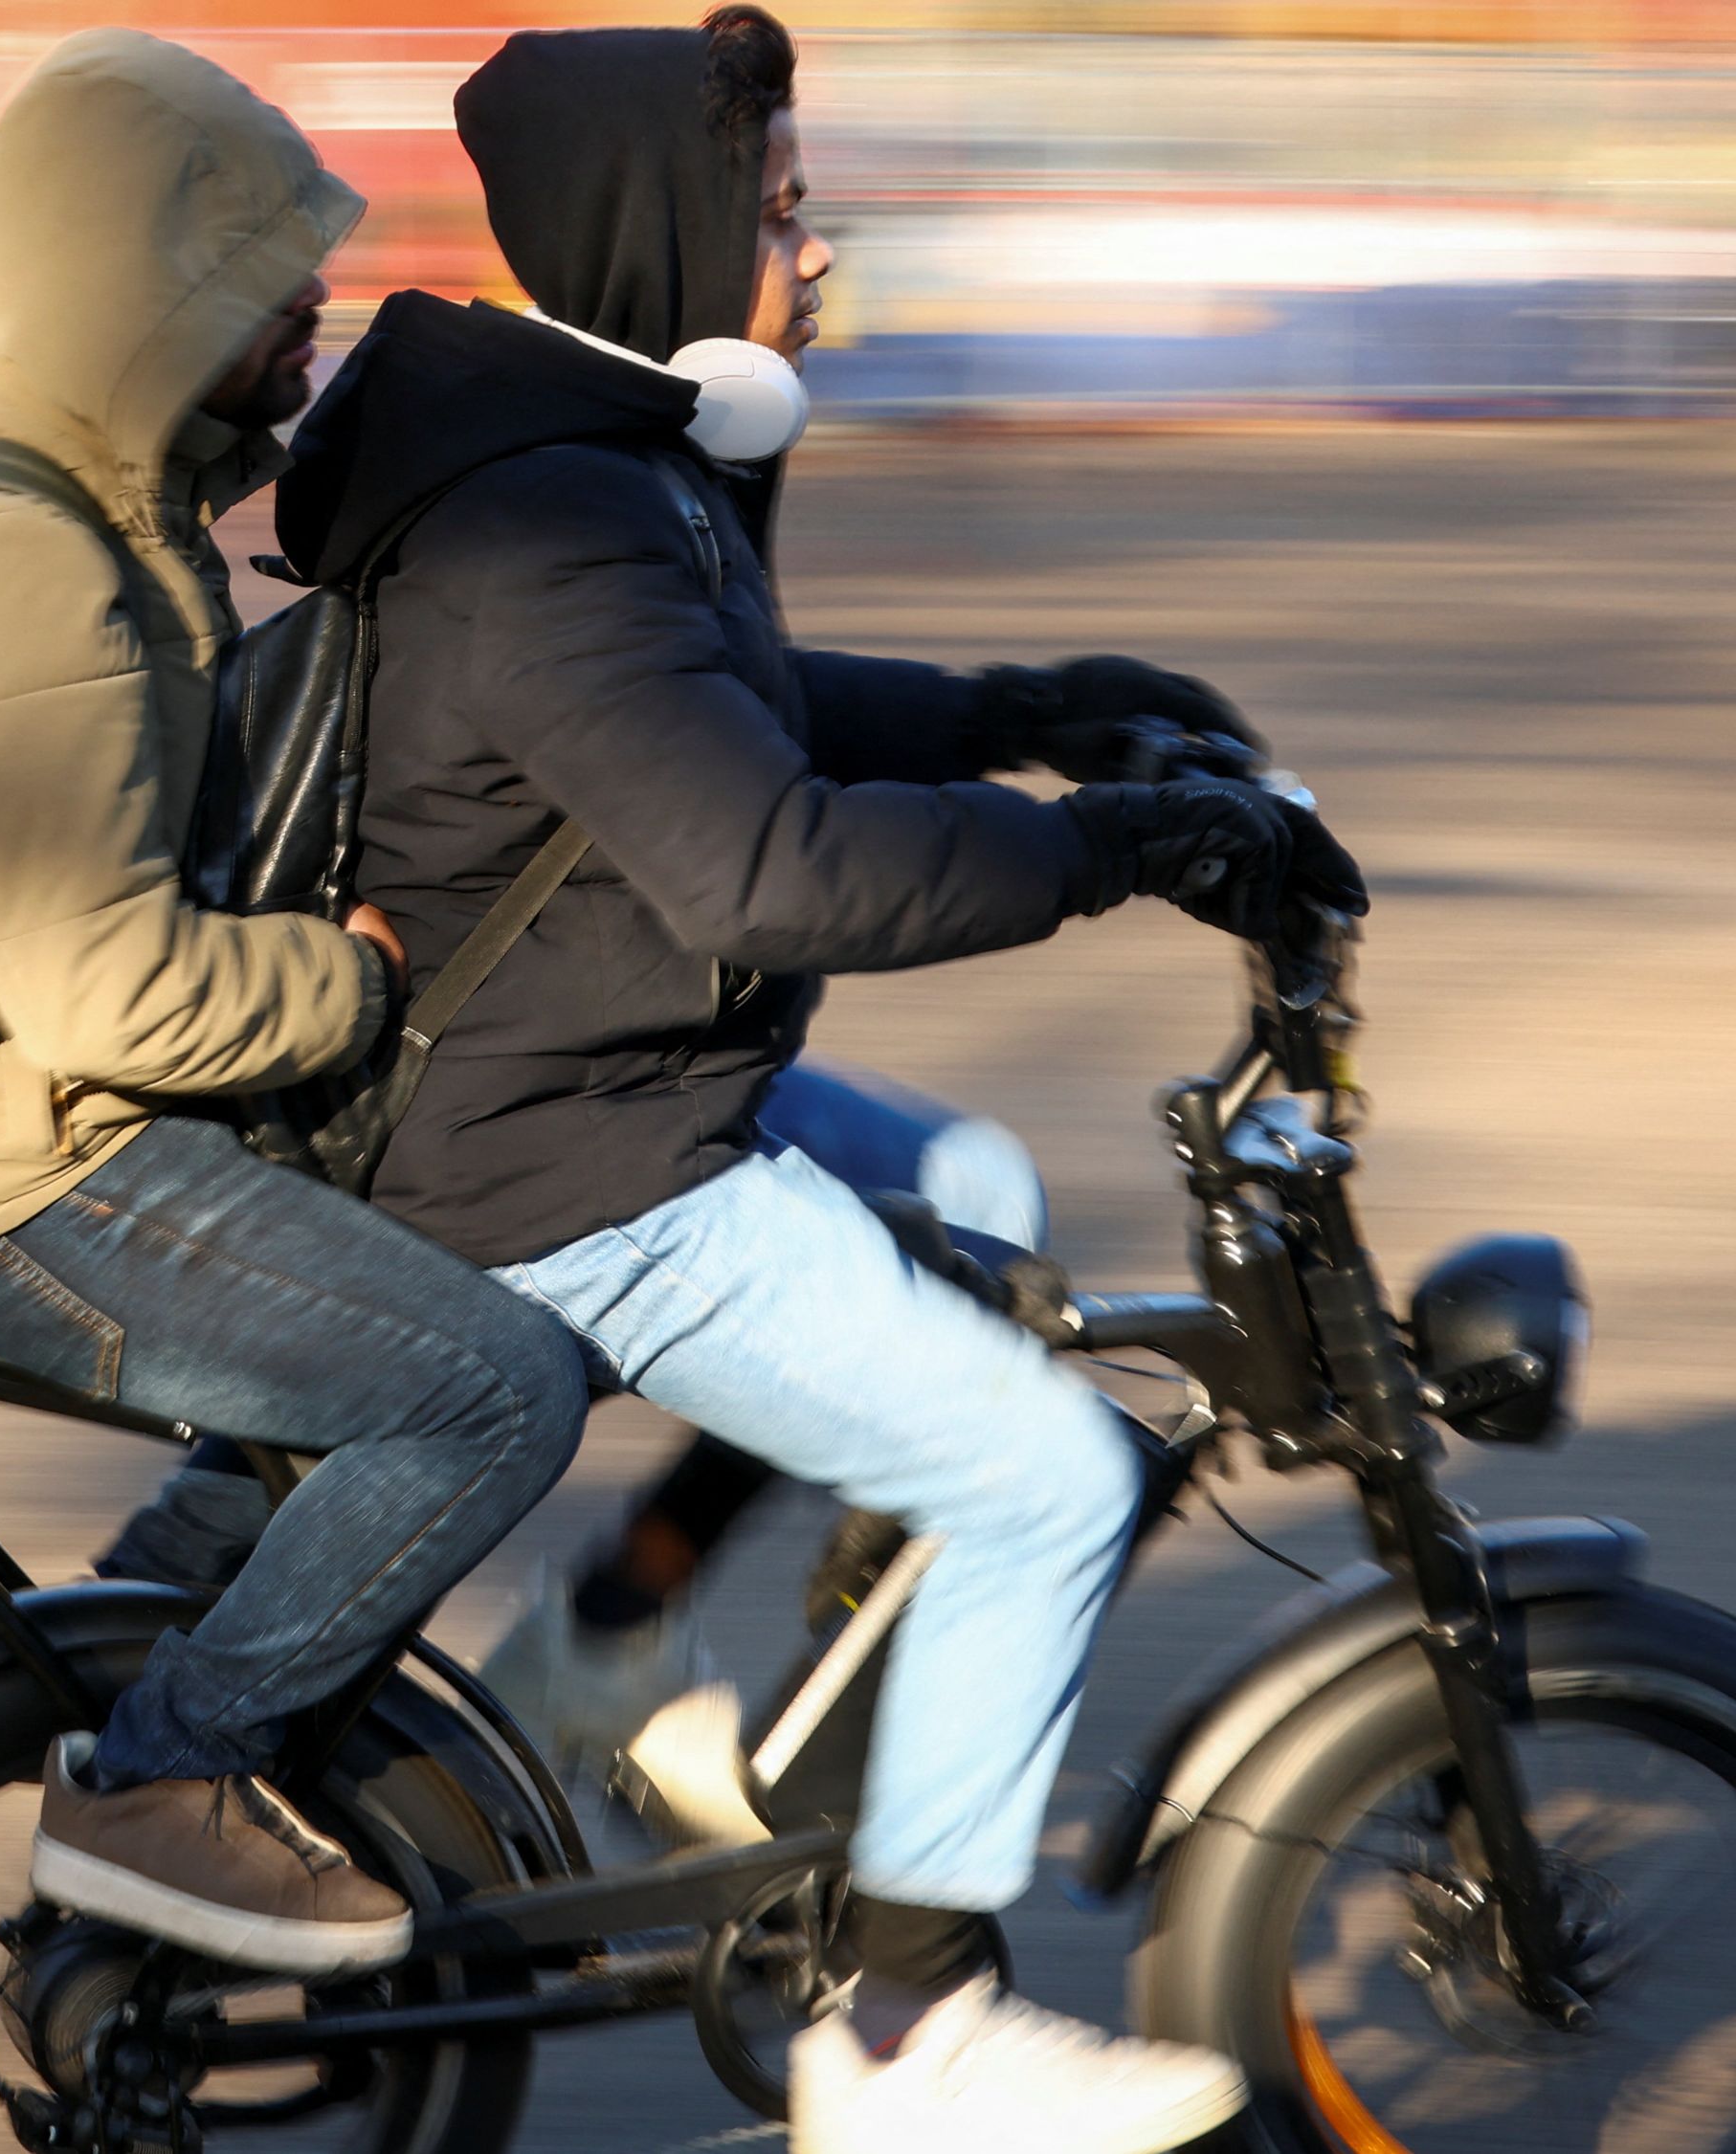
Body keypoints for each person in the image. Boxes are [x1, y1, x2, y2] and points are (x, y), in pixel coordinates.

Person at [261, 13, 1369, 2149]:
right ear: (668, 231)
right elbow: (765, 866)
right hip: (557, 1162)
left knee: (977, 1184)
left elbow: (741, 705)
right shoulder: (555, 515)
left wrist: (1029, 710)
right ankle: (902, 2038)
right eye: (779, 210)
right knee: (1044, 1474)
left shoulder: (597, 459)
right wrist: (1120, 849)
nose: (820, 249)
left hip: (593, 1081)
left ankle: (628, 1648)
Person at [0, 29, 590, 1980]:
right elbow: (102, 989)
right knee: (486, 1386)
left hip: (7, 1097)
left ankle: (155, 1640)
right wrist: (352, 980)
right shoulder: (4, 553)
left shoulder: (85, 479)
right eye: (261, 273)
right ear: (138, 292)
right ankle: (162, 1775)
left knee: (467, 1248)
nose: (315, 303)